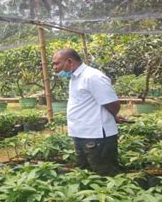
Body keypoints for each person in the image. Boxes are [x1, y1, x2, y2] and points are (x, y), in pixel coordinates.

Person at [51, 48, 126, 176]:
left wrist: (111, 116)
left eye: (56, 63)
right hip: (82, 134)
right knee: (86, 174)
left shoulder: (92, 77)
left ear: (70, 61)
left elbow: (112, 103)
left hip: (96, 137)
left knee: (104, 174)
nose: (54, 68)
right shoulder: (75, 77)